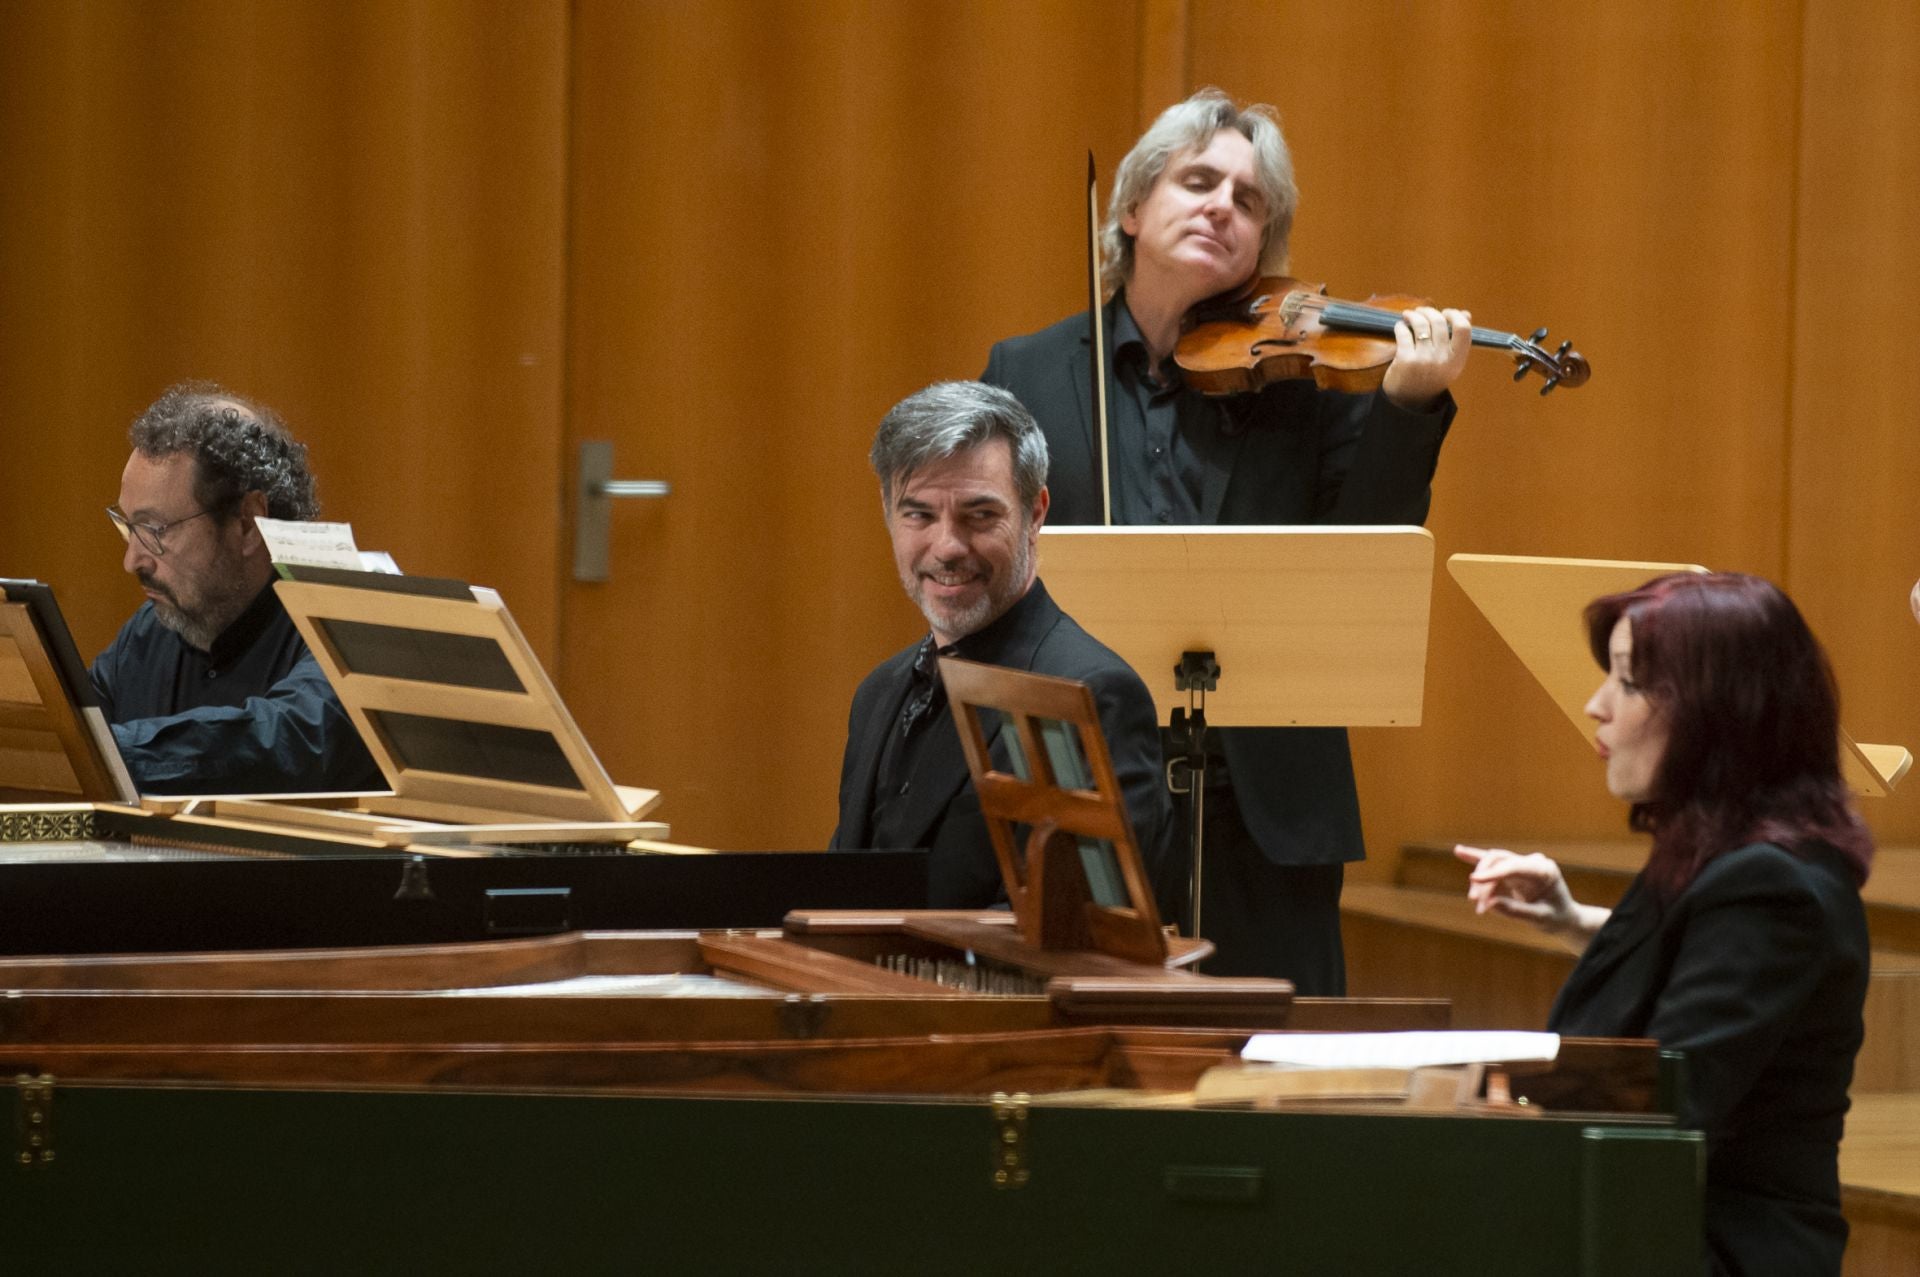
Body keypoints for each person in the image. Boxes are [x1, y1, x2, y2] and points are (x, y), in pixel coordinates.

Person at [982, 88, 1471, 990]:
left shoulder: (1307, 383)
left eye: (1250, 201)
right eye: (1198, 181)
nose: (1224, 207)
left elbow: (1366, 556)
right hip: (1086, 780)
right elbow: (992, 567)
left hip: (1267, 805)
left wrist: (1406, 403)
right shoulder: (1031, 372)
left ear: (1263, 243)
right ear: (1131, 208)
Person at [1458, 573, 1873, 1277]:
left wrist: (1459, 1099)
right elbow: (1698, 965)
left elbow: (1658, 1106)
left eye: (1627, 682)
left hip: (1712, 1246)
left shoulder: (1771, 885)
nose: (1596, 706)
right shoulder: (1719, 850)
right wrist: (1570, 918)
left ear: (1719, 712)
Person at [829, 380, 1179, 908]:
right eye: (919, 514)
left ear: (1035, 512)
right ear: (887, 510)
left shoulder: (1088, 692)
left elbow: (1074, 924)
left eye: (980, 515)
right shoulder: (879, 691)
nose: (946, 546)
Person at [91, 382, 382, 794]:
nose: (132, 561)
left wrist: (104, 754)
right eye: (129, 527)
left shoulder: (347, 622)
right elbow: (68, 737)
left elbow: (287, 741)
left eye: (155, 530)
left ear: (248, 522)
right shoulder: (147, 635)